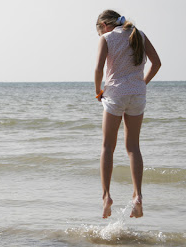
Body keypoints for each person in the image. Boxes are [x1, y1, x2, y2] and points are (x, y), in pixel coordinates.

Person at [94, 10, 161, 219]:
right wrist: (141, 84)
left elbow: (98, 69)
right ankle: (137, 196)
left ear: (104, 25)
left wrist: (98, 91)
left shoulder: (107, 38)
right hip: (137, 95)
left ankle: (106, 197)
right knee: (133, 147)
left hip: (115, 94)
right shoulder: (139, 34)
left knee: (107, 146)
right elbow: (157, 63)